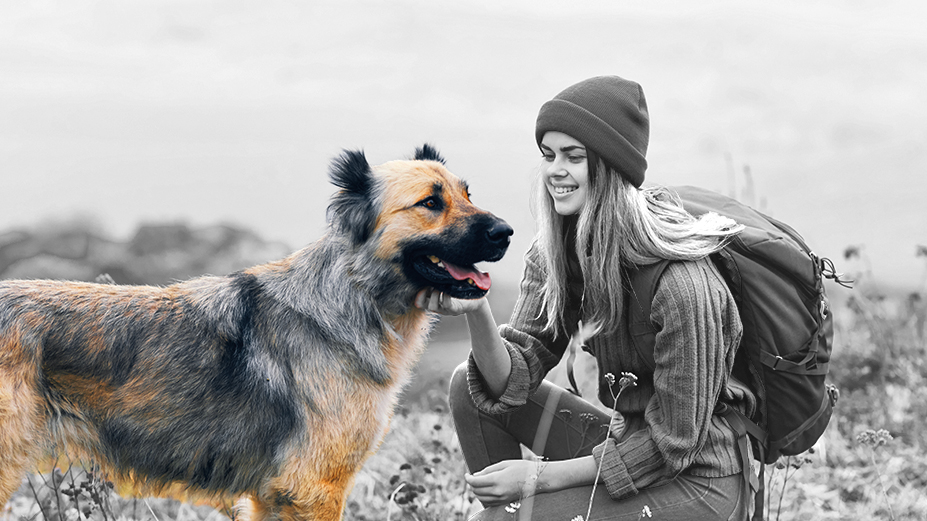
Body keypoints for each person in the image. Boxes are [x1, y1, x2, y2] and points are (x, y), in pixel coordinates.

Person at [416, 75, 755, 520]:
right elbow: (510, 381)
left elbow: (674, 445)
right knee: (469, 383)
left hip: (700, 481)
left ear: (611, 167)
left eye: (574, 157)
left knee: (499, 520)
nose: (555, 170)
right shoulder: (557, 254)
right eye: (549, 155)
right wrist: (475, 307)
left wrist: (538, 478)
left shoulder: (682, 285)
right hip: (627, 441)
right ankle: (515, 512)